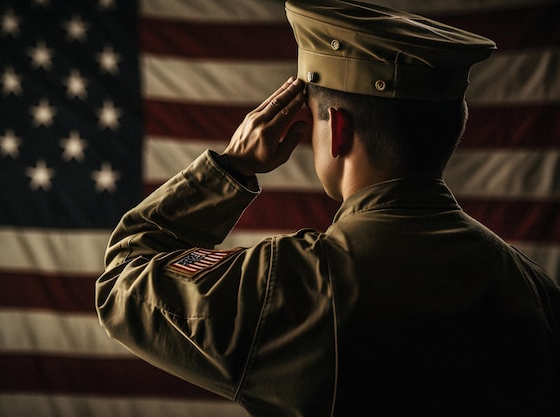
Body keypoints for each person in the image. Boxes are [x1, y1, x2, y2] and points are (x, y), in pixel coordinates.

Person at [96, 1, 560, 416]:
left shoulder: (298, 284)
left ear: (336, 130)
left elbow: (123, 280)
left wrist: (231, 169)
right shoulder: (535, 288)